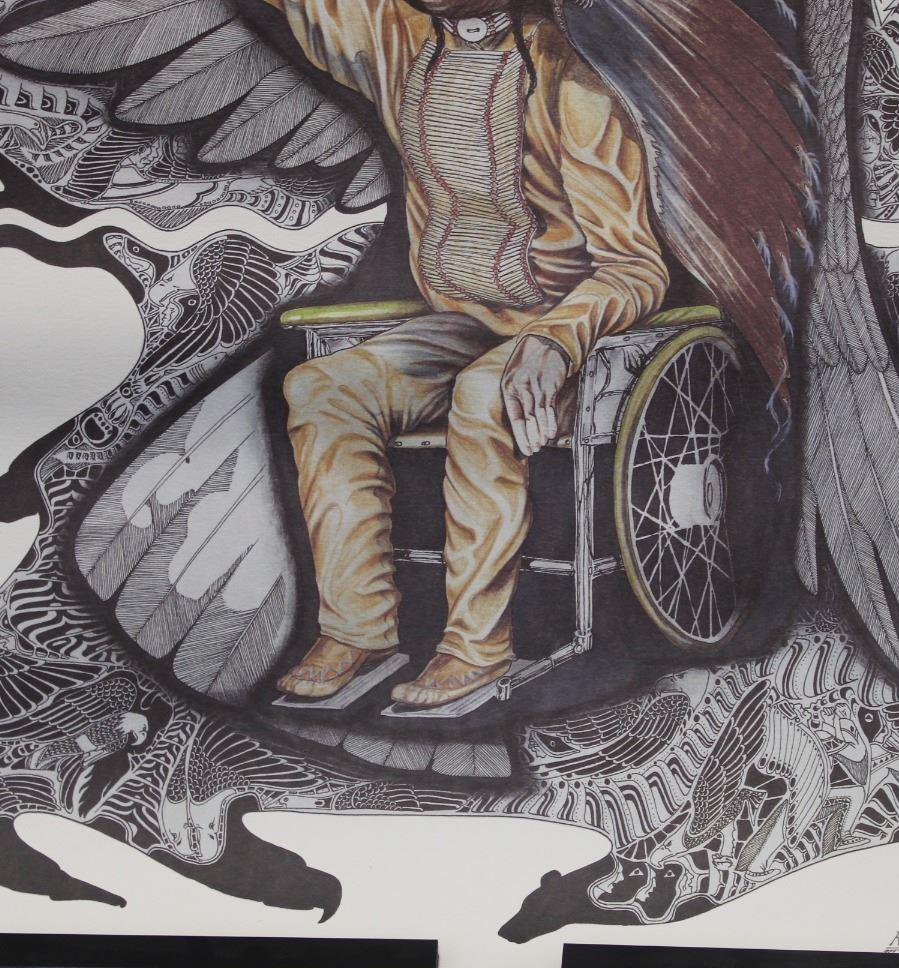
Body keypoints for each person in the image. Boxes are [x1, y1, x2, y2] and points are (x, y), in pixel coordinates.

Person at [267, 0, 669, 708]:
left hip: (572, 339)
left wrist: (554, 340)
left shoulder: (573, 84)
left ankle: (475, 648)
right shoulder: (399, 36)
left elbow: (634, 266)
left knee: (485, 395)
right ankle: (357, 630)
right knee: (321, 389)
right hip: (459, 322)